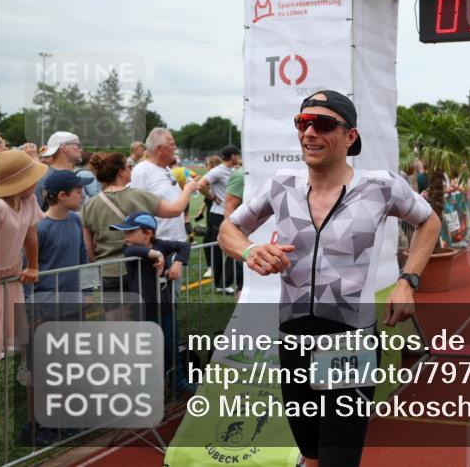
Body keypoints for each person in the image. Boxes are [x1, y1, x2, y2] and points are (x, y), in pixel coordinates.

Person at [218, 90, 441, 467]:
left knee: (338, 458)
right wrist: (249, 251)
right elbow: (229, 229)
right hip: (292, 340)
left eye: (322, 124)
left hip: (349, 344)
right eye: (302, 123)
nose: (309, 133)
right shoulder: (281, 185)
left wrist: (408, 280)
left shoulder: (380, 186)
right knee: (311, 454)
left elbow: (429, 221)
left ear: (350, 136)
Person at [82, 152, 198, 292]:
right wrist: (188, 189)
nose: (132, 169)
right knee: (144, 312)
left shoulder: (89, 205)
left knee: (114, 314)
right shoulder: (138, 196)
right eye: (129, 166)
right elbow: (175, 210)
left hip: (107, 271)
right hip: (139, 269)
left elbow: (88, 246)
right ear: (121, 172)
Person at [109, 211, 192, 394]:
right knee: (150, 354)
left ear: (147, 233)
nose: (126, 237)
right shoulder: (131, 251)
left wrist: (177, 263)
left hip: (166, 309)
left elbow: (184, 246)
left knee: (171, 347)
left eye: (130, 232)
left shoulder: (161, 244)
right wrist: (154, 254)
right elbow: (132, 250)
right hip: (145, 314)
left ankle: (179, 383)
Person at [0, 152, 44, 371]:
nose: (36, 181)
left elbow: (31, 236)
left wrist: (33, 265)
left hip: (9, 281)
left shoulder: (29, 201)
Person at [32, 171, 92, 299]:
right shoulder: (39, 228)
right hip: (46, 305)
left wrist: (88, 293)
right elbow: (27, 269)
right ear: (62, 195)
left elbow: (83, 259)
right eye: (78, 191)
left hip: (75, 301)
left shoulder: (76, 220)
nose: (82, 196)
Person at [130, 129, 192, 242]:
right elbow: (137, 209)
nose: (175, 147)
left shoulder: (166, 169)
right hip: (160, 243)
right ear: (160, 149)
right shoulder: (141, 171)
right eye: (172, 144)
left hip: (177, 241)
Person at [198, 146, 242, 294]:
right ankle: (223, 282)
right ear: (233, 156)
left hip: (228, 213)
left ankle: (222, 282)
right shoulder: (219, 170)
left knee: (227, 249)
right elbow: (201, 184)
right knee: (227, 248)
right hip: (218, 214)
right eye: (238, 155)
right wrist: (213, 197)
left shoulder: (232, 170)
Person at [33, 131, 88, 210]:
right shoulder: (46, 178)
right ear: (64, 147)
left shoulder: (71, 174)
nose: (81, 150)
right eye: (78, 145)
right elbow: (37, 212)